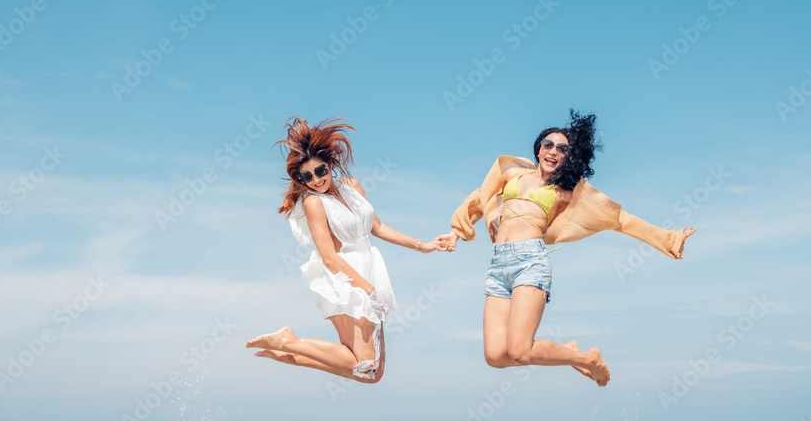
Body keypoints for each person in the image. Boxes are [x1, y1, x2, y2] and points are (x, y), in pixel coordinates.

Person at [442, 110, 696, 386]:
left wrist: (669, 239)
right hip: (498, 266)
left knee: (520, 351)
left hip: (530, 263)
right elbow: (481, 196)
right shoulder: (513, 173)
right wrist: (457, 231)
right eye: (548, 145)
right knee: (495, 356)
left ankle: (589, 360)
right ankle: (571, 353)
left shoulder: (565, 191)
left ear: (568, 157)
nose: (553, 151)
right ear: (538, 149)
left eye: (562, 149)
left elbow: (619, 219)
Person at [246, 117, 446, 383]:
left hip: (370, 268)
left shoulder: (352, 186)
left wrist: (424, 246)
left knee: (372, 373)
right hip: (344, 278)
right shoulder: (313, 203)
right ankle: (290, 341)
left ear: (330, 165)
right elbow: (328, 257)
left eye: (320, 171)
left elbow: (378, 227)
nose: (316, 179)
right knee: (365, 365)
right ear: (300, 179)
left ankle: (293, 355)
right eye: (307, 176)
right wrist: (368, 289)